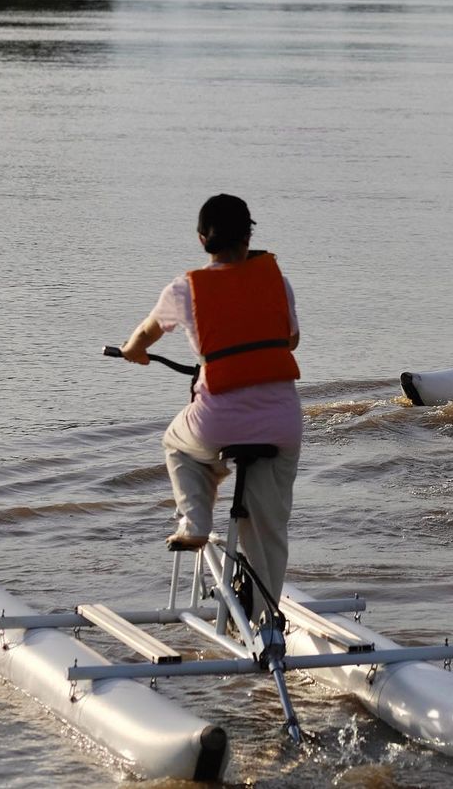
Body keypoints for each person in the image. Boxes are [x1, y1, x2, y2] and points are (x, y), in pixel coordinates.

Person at [119, 193, 301, 604]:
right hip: (281, 422)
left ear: (202, 239)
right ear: (249, 234)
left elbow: (147, 332)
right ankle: (265, 620)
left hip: (217, 422)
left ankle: (196, 520)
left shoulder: (186, 289)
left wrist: (134, 350)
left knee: (176, 444)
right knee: (267, 529)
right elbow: (291, 340)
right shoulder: (277, 281)